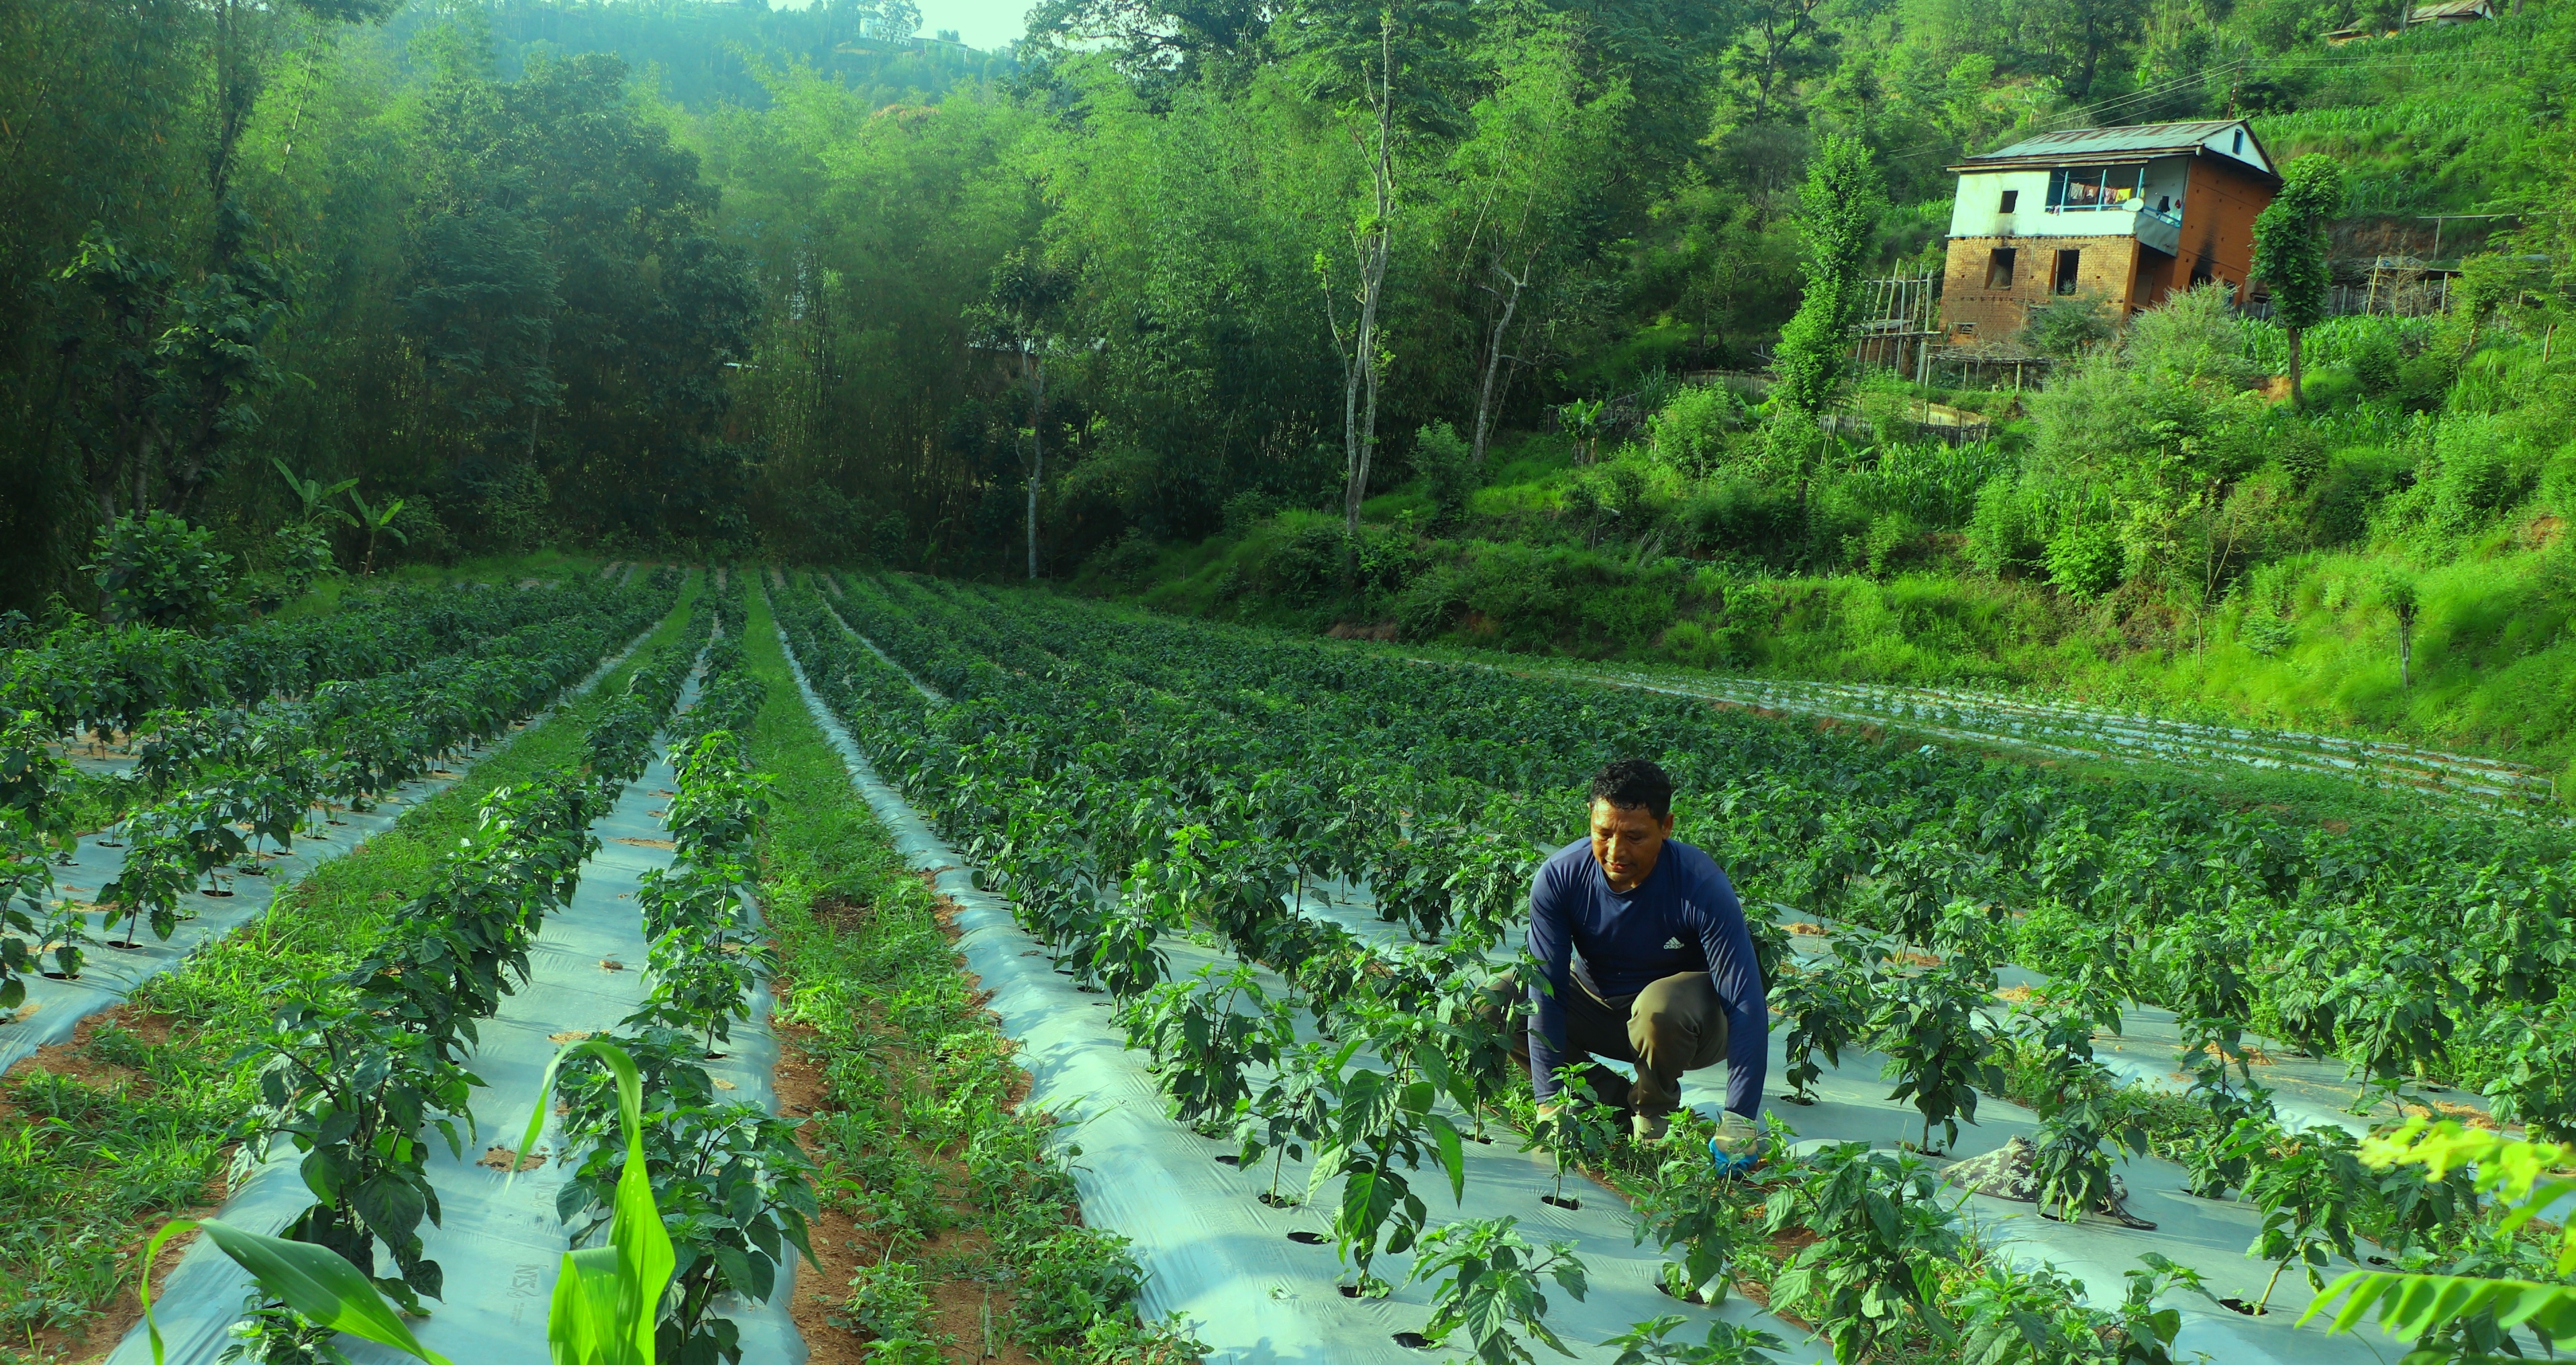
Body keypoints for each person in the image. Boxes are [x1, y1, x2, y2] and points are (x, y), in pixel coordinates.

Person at [1523, 758, 1767, 1142]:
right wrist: (1549, 1098)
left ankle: (1653, 1113)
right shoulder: (1561, 876)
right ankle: (1610, 1101)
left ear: (1666, 827)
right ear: (1590, 816)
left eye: (1635, 837)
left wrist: (1740, 1117)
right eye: (1603, 833)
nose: (1616, 851)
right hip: (1600, 1009)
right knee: (1502, 1001)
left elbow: (1744, 1001)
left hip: (1684, 1028)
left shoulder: (1699, 885)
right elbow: (1545, 989)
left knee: (1658, 1006)